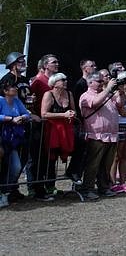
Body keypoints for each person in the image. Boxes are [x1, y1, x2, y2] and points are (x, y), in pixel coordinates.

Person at [79, 72, 124, 200]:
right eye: (99, 81)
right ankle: (87, 189)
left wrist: (121, 92)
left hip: (111, 135)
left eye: (102, 81)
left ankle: (104, 187)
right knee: (93, 164)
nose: (102, 83)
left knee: (106, 164)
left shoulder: (107, 94)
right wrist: (108, 89)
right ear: (90, 83)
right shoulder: (86, 96)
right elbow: (94, 103)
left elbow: (120, 104)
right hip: (96, 136)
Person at [39, 72, 76, 200]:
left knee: (76, 150)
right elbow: (44, 114)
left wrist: (72, 114)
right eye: (62, 80)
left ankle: (71, 174)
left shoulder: (69, 94)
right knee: (51, 159)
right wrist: (63, 115)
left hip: (66, 131)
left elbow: (73, 110)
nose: (65, 81)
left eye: (66, 79)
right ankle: (49, 186)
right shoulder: (48, 94)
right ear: (54, 83)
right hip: (52, 131)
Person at [0, 83, 32, 203]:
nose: (15, 89)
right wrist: (10, 119)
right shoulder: (0, 101)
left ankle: (5, 190)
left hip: (13, 141)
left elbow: (27, 114)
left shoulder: (17, 101)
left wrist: (22, 118)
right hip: (2, 139)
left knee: (16, 167)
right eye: (12, 88)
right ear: (5, 91)